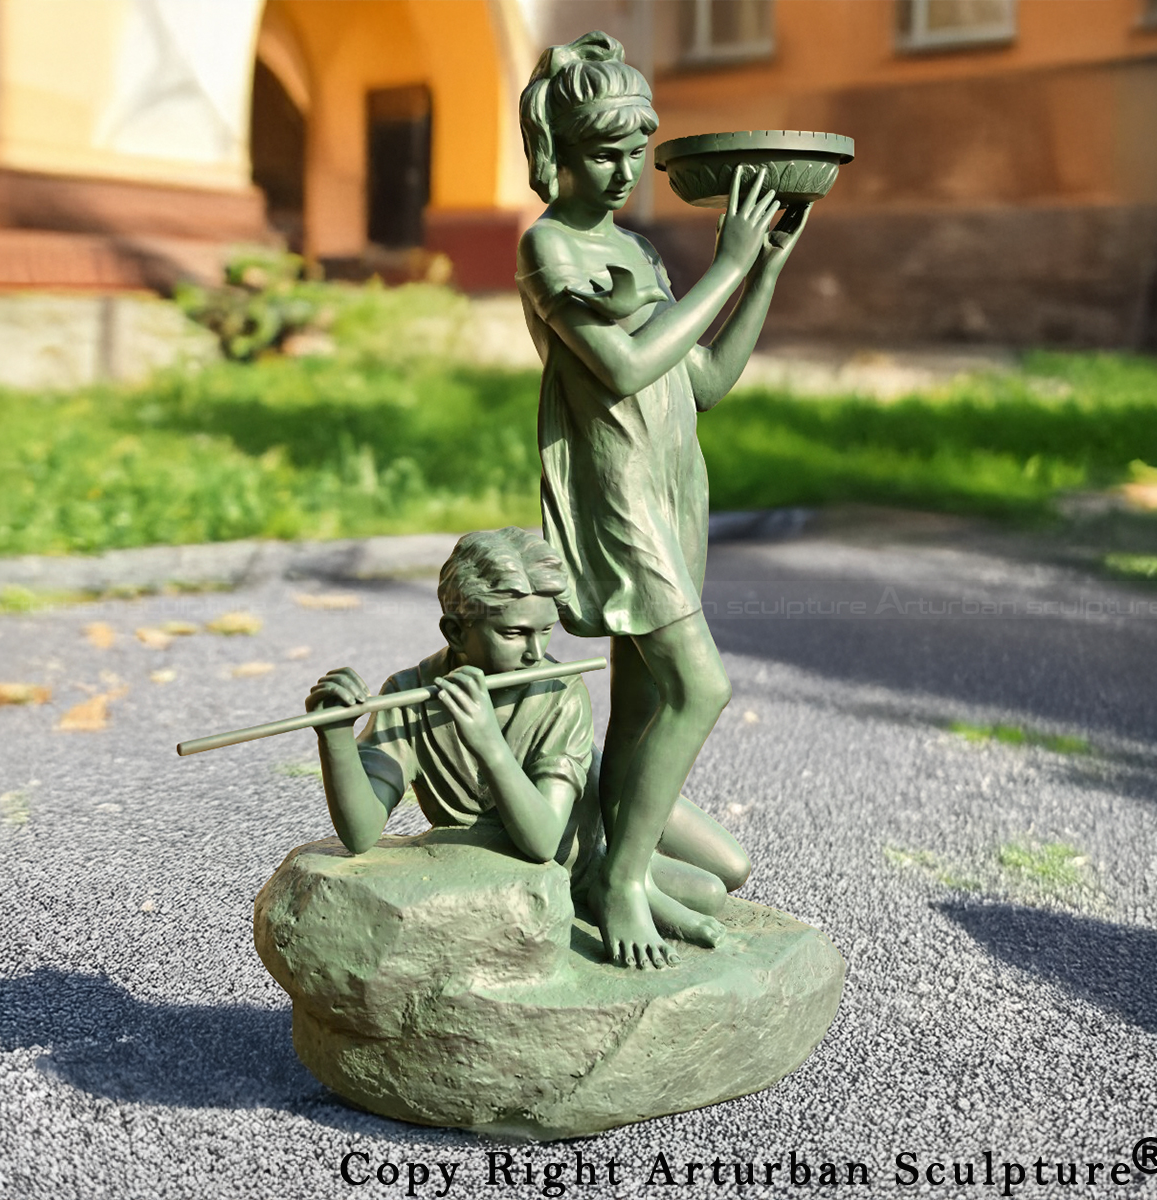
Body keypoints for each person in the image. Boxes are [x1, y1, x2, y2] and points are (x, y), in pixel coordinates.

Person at [516, 32, 810, 968]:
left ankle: (613, 859)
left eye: (635, 153)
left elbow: (704, 380)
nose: (624, 172)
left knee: (644, 706)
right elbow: (626, 366)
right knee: (702, 685)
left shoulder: (636, 250)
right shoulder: (548, 246)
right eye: (604, 152)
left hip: (676, 485)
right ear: (558, 151)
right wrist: (724, 267)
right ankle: (621, 882)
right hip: (618, 494)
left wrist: (761, 269)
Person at [306, 527, 747, 949]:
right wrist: (335, 739)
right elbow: (360, 834)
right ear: (456, 632)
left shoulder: (560, 693)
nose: (536, 654)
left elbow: (542, 839)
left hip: (591, 810)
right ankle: (612, 880)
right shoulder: (407, 696)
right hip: (573, 860)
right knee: (708, 895)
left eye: (546, 631)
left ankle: (627, 858)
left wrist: (488, 743)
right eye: (515, 633)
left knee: (732, 867)